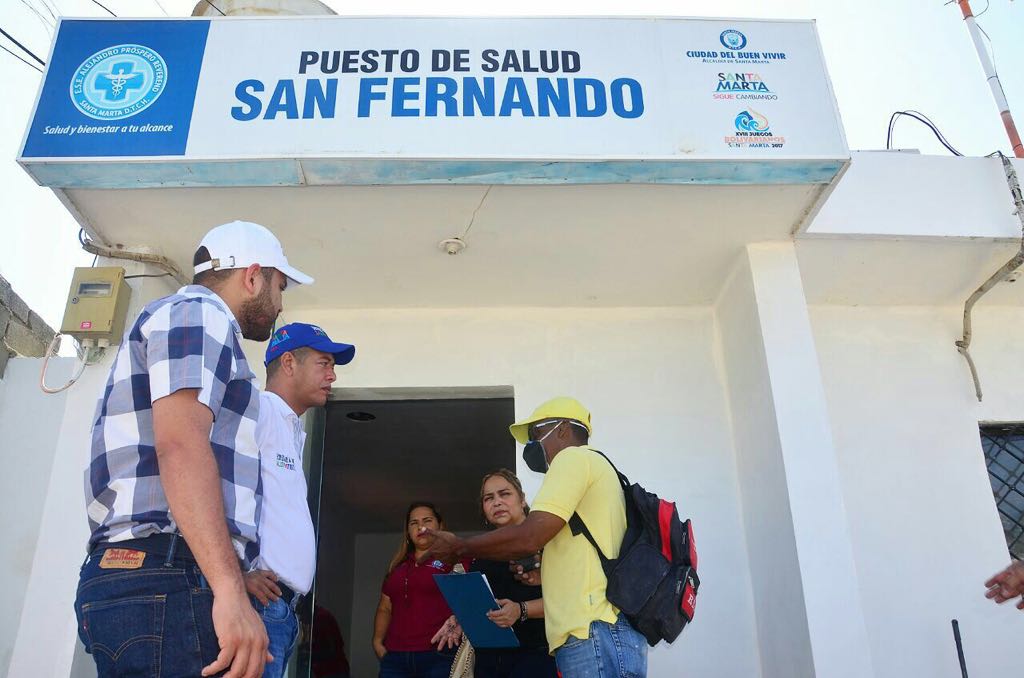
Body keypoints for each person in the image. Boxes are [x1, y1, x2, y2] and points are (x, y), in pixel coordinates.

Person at [76, 220, 312, 678]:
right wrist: (229, 590)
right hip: (169, 575)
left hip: (158, 574)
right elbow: (181, 445)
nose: (281, 304)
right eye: (280, 287)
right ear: (253, 276)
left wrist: (230, 576)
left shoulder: (186, 318)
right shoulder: (201, 314)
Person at [420, 397, 648, 678]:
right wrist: (545, 576)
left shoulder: (573, 458)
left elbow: (530, 537)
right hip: (595, 631)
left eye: (536, 434)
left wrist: (460, 546)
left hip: (592, 630)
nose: (532, 445)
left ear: (562, 429)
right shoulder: (594, 467)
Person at [243, 323, 355, 677]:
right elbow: (214, 485)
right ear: (289, 362)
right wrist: (238, 572)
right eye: (324, 363)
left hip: (281, 608)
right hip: (257, 604)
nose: (332, 376)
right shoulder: (258, 411)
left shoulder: (291, 427)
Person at [432, 469, 558, 678]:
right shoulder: (481, 553)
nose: (497, 502)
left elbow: (568, 600)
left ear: (522, 499)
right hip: (489, 660)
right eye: (489, 498)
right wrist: (462, 619)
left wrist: (521, 610)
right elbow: (483, 604)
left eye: (504, 494)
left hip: (538, 654)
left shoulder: (547, 542)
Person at [373, 502, 464, 678]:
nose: (421, 527)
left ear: (440, 526)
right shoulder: (397, 568)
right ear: (408, 531)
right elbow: (385, 607)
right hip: (395, 659)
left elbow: (472, 599)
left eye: (427, 520)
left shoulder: (454, 560)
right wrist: (377, 642)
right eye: (414, 523)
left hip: (439, 654)